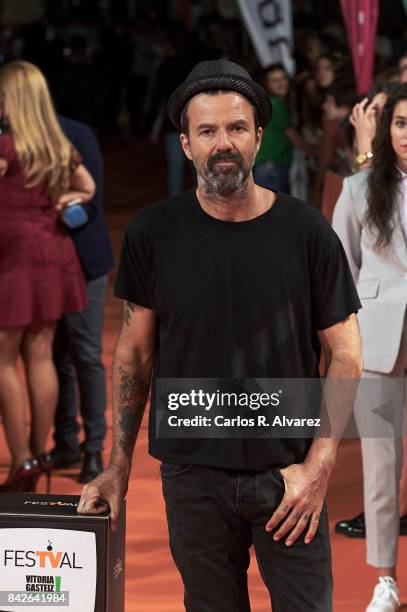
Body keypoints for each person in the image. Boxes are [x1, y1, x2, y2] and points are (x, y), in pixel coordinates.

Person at [78, 59, 363, 611]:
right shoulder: (153, 233)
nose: (223, 143)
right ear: (186, 145)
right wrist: (117, 466)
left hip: (290, 476)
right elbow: (135, 354)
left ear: (259, 137)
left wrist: (318, 467)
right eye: (207, 131)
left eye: (236, 128)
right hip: (193, 479)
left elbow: (345, 353)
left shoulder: (307, 232)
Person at [0, 61, 94, 492]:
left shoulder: (6, 146)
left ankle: (21, 460)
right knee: (40, 354)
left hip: (13, 255)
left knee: (3, 360)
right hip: (52, 252)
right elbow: (87, 187)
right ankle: (38, 455)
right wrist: (65, 200)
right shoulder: (55, 143)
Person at [332, 83, 407, 612]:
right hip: (381, 346)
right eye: (402, 122)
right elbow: (341, 274)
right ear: (387, 128)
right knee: (381, 468)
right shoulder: (358, 189)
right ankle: (386, 580)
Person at [51, 115, 115, 483]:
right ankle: (65, 442)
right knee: (56, 354)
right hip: (42, 265)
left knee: (86, 354)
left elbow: (90, 204)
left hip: (83, 261)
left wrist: (44, 213)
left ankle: (93, 448)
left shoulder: (76, 133)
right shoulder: (13, 138)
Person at [253, 63, 314, 193]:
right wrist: (317, 152)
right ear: (267, 84)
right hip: (272, 167)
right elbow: (295, 139)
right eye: (274, 81)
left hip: (267, 166)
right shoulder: (276, 104)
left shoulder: (272, 103)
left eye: (283, 79)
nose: (281, 83)